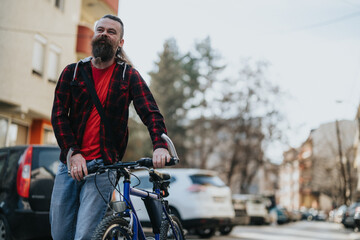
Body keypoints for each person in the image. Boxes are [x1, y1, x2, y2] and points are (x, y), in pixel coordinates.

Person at [50, 14, 171, 240]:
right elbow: (58, 116)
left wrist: (160, 145)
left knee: (85, 235)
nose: (104, 34)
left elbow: (150, 112)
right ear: (94, 35)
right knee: (59, 234)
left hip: (104, 167)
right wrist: (73, 153)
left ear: (120, 43)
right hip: (69, 165)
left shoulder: (128, 75)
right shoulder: (73, 72)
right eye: (100, 30)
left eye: (111, 32)